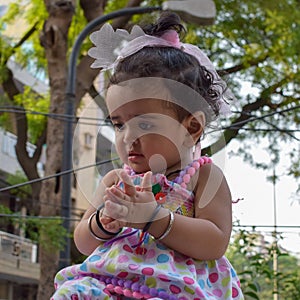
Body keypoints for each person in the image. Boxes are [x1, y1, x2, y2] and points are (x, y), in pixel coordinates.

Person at [52, 12, 243, 300]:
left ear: (191, 127)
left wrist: (152, 219)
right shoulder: (117, 180)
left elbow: (215, 242)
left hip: (176, 288)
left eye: (144, 123)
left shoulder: (204, 176)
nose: (128, 137)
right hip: (108, 281)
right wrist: (103, 222)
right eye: (118, 124)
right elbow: (83, 241)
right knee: (71, 293)